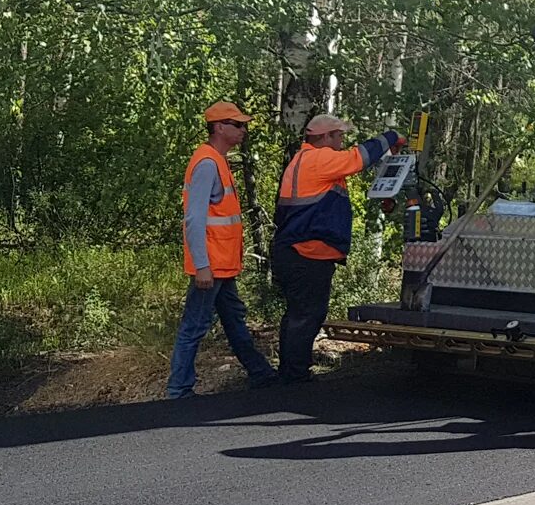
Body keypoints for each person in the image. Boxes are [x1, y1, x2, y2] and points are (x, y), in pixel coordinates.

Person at [271, 113, 403, 382]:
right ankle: (294, 377)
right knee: (308, 314)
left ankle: (289, 372)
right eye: (339, 135)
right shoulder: (319, 159)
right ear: (324, 137)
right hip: (307, 253)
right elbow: (359, 158)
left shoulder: (301, 160)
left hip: (294, 251)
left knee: (298, 313)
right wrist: (391, 138)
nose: (343, 140)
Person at [166, 101, 278, 397]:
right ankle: (178, 391)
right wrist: (202, 265)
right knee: (195, 324)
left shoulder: (216, 160)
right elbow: (194, 218)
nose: (243, 130)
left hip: (222, 265)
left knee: (233, 318)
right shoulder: (207, 163)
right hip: (211, 266)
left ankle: (260, 372)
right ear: (219, 127)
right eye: (237, 125)